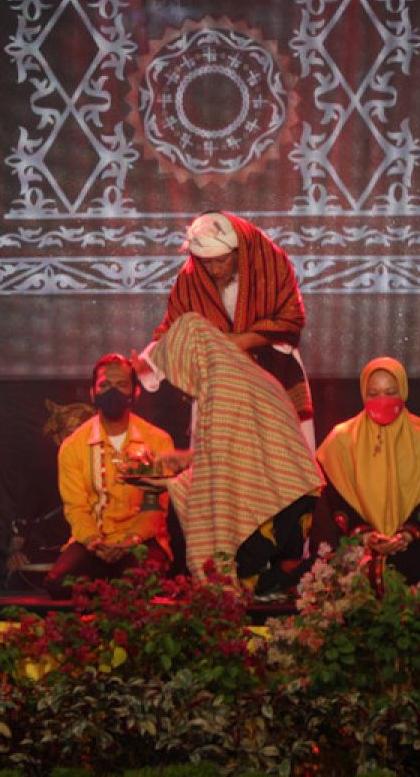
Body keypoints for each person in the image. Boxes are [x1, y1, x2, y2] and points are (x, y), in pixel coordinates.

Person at [135, 313, 323, 593]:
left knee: (231, 580)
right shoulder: (250, 376)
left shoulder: (222, 385)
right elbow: (239, 452)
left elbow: (219, 472)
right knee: (271, 589)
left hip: (276, 506)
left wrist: (168, 484)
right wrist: (186, 460)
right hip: (294, 496)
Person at [148, 211, 315, 447]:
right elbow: (172, 331)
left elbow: (290, 318)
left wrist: (241, 341)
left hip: (275, 375)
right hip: (219, 385)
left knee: (282, 461)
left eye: (221, 261)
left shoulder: (272, 264)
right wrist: (148, 362)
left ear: (240, 252)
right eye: (207, 263)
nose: (214, 270)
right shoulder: (190, 278)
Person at [44, 354, 175, 597]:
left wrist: (129, 541)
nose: (111, 391)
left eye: (121, 385)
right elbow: (76, 508)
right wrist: (94, 540)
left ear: (134, 393)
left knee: (141, 586)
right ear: (93, 392)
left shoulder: (158, 440)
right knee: (59, 584)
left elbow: (155, 508)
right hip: (94, 542)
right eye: (104, 385)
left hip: (141, 541)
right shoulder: (73, 445)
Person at [311, 357, 420, 584]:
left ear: (403, 391)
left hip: (417, 550)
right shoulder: (342, 439)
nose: (382, 400)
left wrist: (406, 535)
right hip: (359, 555)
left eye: (390, 392)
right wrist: (365, 535)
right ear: (363, 393)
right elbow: (336, 499)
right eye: (373, 394)